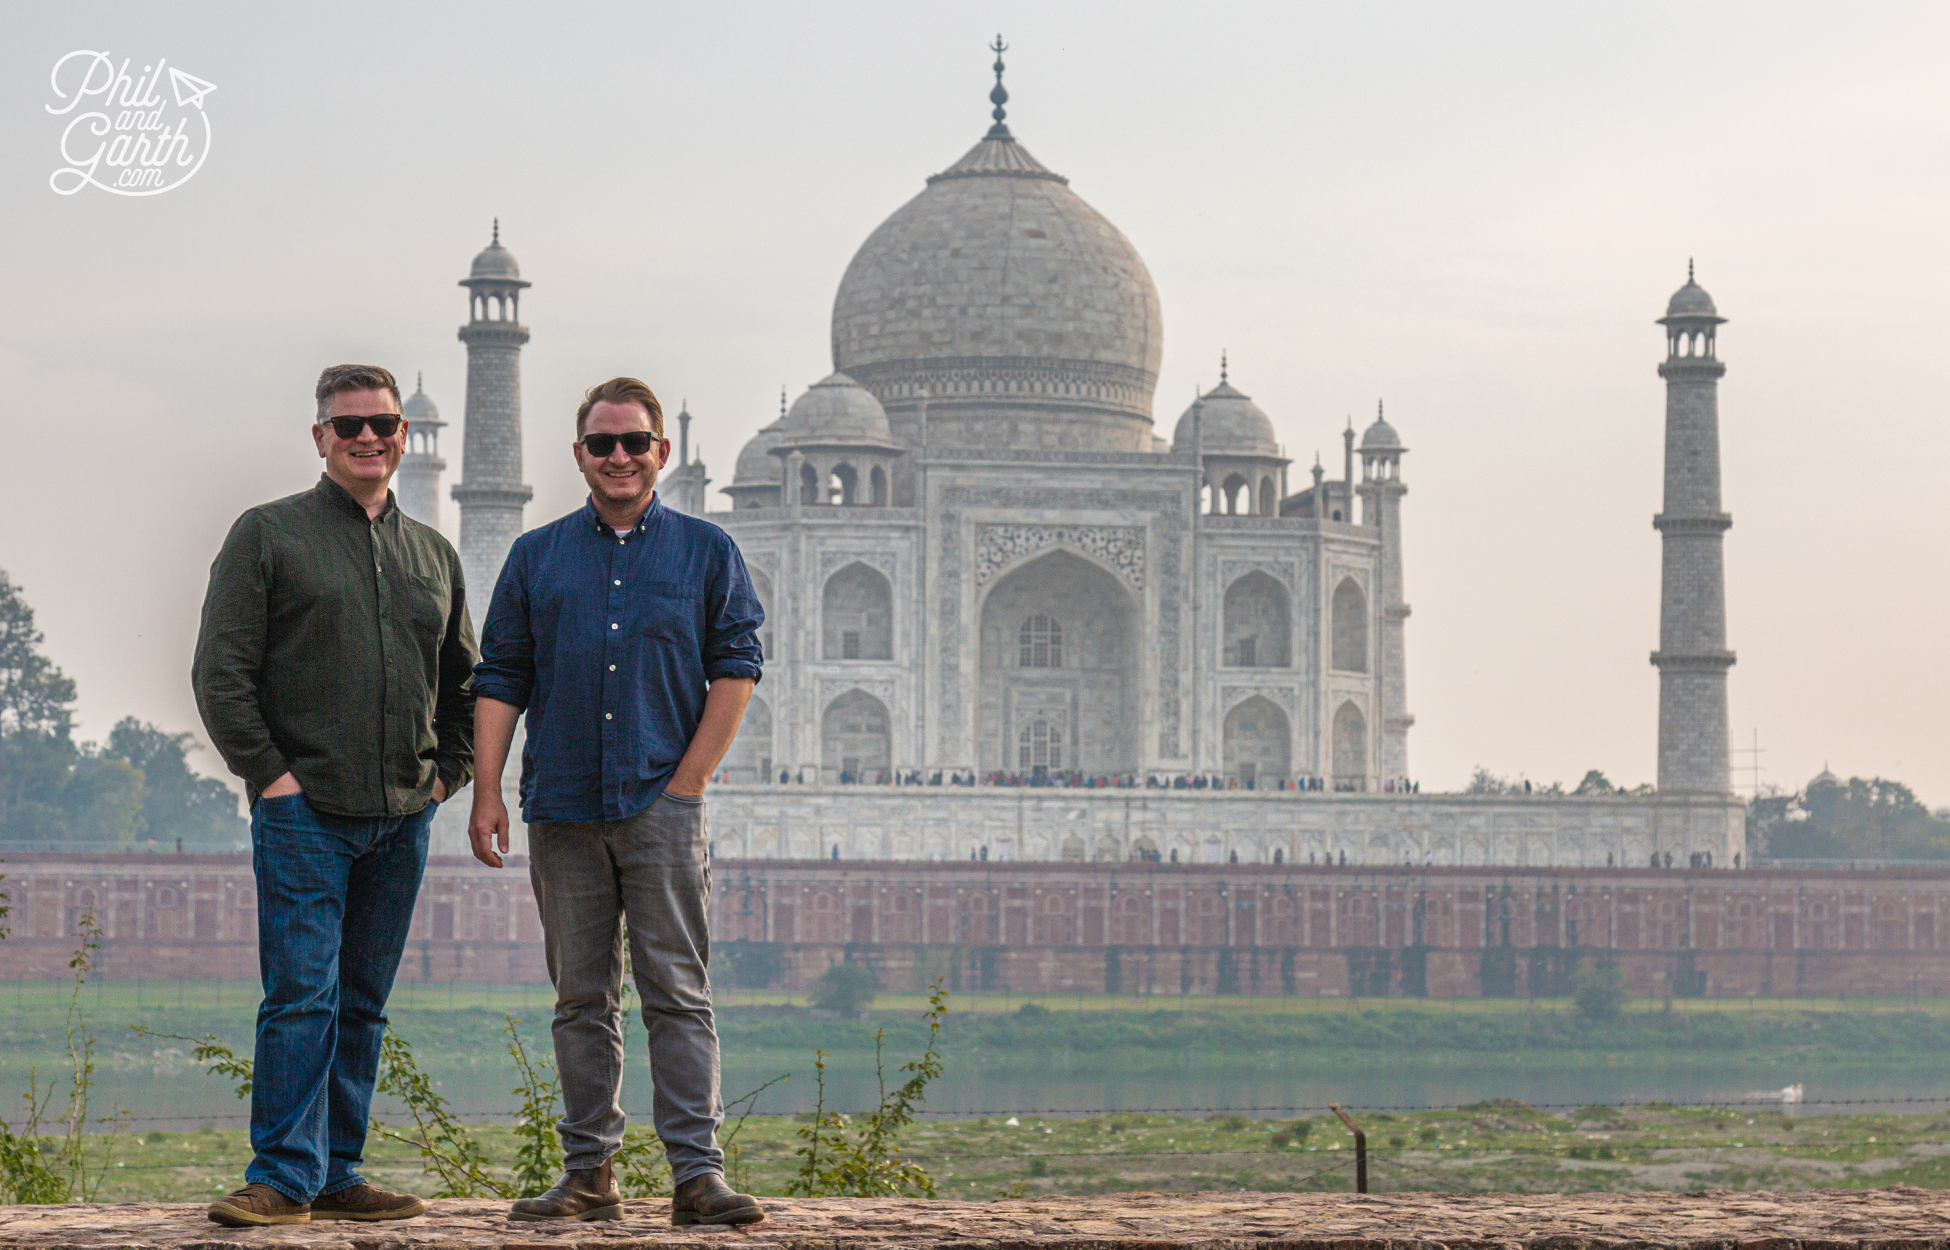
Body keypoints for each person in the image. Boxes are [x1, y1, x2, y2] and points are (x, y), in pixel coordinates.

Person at [469, 377, 764, 1226]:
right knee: (581, 1000)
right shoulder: (538, 555)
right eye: (604, 444)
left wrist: (688, 785)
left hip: (659, 803)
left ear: (660, 452)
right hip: (561, 802)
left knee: (677, 991)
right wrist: (487, 790)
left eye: (635, 443)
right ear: (580, 456)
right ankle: (589, 1172)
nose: (620, 457)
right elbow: (501, 677)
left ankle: (697, 1177)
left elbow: (737, 668)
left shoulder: (707, 552)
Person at [192, 364, 475, 1227]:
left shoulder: (432, 554)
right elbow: (221, 674)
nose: (367, 437)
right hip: (305, 812)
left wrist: (445, 776)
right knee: (302, 996)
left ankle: (337, 1170)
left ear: (401, 436)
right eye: (348, 424)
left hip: (400, 814)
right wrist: (272, 779)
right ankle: (281, 1175)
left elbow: (465, 682)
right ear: (320, 437)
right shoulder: (270, 536)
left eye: (382, 424)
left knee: (361, 1002)